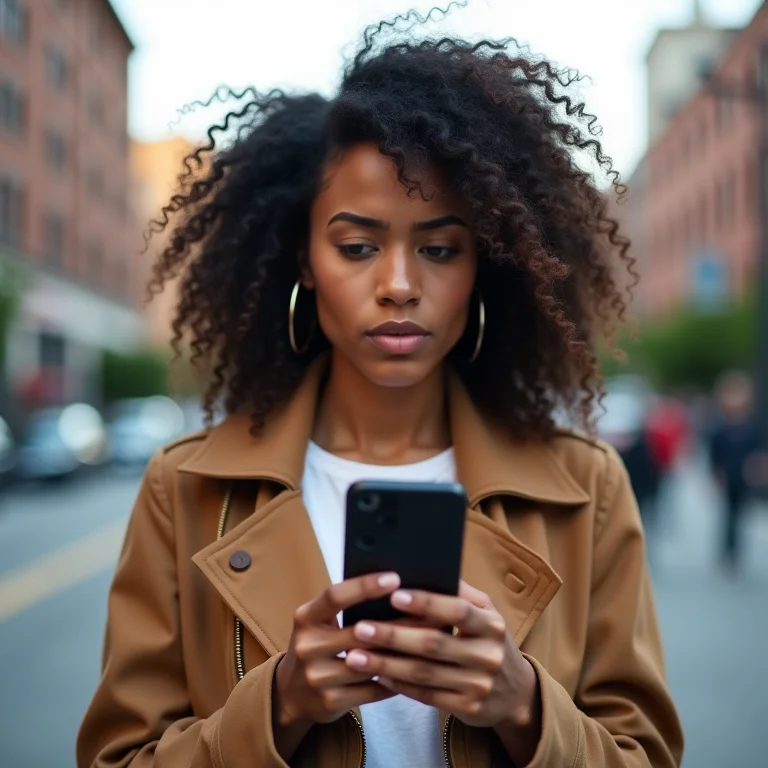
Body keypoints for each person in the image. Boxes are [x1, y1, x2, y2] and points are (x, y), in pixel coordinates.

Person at [77, 8, 684, 768]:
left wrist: (526, 707)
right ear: (303, 260)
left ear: (483, 265)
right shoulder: (186, 490)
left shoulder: (587, 489)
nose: (398, 285)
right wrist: (277, 707)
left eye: (438, 247)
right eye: (358, 246)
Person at [708, 370, 764, 575]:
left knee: (740, 516)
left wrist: (758, 468)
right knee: (728, 517)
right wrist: (715, 476)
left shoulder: (751, 426)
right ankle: (727, 553)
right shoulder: (720, 427)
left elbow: (757, 451)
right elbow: (714, 455)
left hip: (744, 477)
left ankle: (736, 554)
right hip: (727, 477)